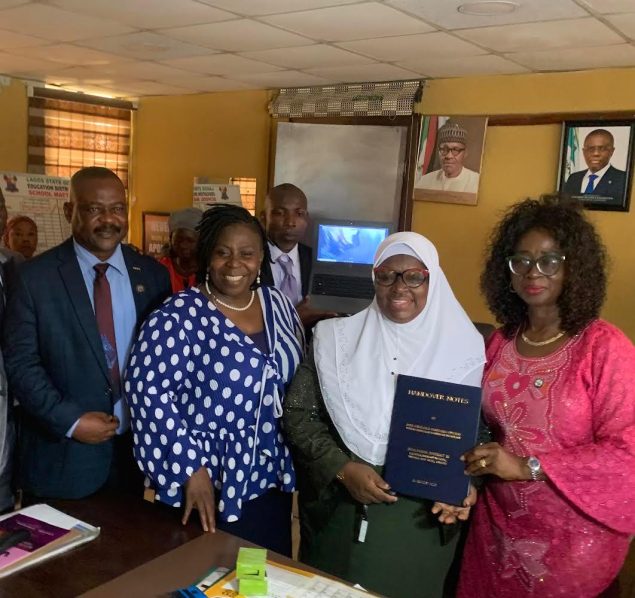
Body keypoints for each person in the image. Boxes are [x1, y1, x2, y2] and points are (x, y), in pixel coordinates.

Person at [283, 231, 485, 597]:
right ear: (374, 277)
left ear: (433, 279)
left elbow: (481, 436)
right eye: (386, 275)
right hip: (339, 513)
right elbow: (299, 414)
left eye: (414, 276)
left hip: (420, 523)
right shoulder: (334, 339)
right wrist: (342, 469)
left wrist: (463, 486)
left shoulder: (466, 349)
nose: (399, 287)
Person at [458, 197, 635, 597]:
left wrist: (527, 466)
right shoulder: (501, 342)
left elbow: (627, 453)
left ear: (574, 267)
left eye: (549, 261)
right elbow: (480, 425)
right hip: (496, 533)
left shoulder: (604, 348)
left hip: (574, 545)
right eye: (520, 261)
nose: (532, 272)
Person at [125, 204, 304, 556]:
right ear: (207, 257)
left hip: (268, 478)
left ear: (260, 259)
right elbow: (147, 394)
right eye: (223, 253)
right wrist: (189, 469)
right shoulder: (178, 315)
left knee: (264, 573)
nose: (234, 264)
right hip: (206, 482)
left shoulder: (277, 304)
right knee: (205, 572)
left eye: (246, 254)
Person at [3, 167, 170, 502]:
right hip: (60, 459)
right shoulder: (34, 277)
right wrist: (70, 421)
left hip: (133, 458)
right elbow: (21, 363)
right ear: (70, 212)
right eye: (94, 208)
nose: (108, 219)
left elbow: (163, 361)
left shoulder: (152, 276)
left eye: (117, 208)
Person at [260, 183, 336, 327]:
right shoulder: (249, 261)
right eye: (280, 213)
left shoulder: (317, 261)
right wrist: (295, 318)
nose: (290, 222)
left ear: (307, 219)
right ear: (264, 218)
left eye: (299, 214)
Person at [415, 122, 480, 194]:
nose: (449, 156)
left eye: (455, 150)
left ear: (465, 153)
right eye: (444, 149)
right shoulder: (425, 181)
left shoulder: (477, 182)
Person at [563, 128, 626, 202]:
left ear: (611, 151)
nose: (596, 153)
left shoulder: (622, 179)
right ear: (584, 152)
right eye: (591, 149)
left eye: (602, 149)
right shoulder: (573, 178)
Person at [159, 207, 202, 293]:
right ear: (170, 239)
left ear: (201, 242)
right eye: (178, 240)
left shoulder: (210, 270)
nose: (183, 245)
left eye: (190, 241)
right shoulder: (161, 267)